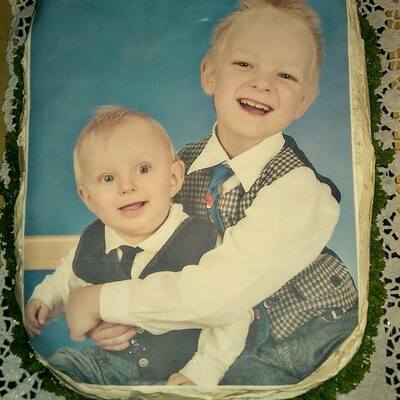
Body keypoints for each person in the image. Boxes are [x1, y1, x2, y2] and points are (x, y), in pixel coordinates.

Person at [64, 0, 359, 385]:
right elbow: (143, 248)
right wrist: (116, 320)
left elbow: (220, 293)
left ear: (303, 101)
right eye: (244, 63)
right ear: (209, 74)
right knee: (87, 370)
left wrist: (102, 301)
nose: (262, 83)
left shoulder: (300, 191)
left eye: (286, 74)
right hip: (215, 337)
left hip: (304, 339)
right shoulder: (176, 168)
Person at [24, 106, 253, 386]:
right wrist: (46, 298)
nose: (127, 186)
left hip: (179, 370)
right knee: (55, 369)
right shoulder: (94, 240)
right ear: (88, 198)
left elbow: (232, 311)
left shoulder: (201, 240)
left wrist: (204, 370)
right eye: (108, 178)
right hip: (107, 364)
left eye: (143, 169)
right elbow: (70, 275)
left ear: (173, 178)